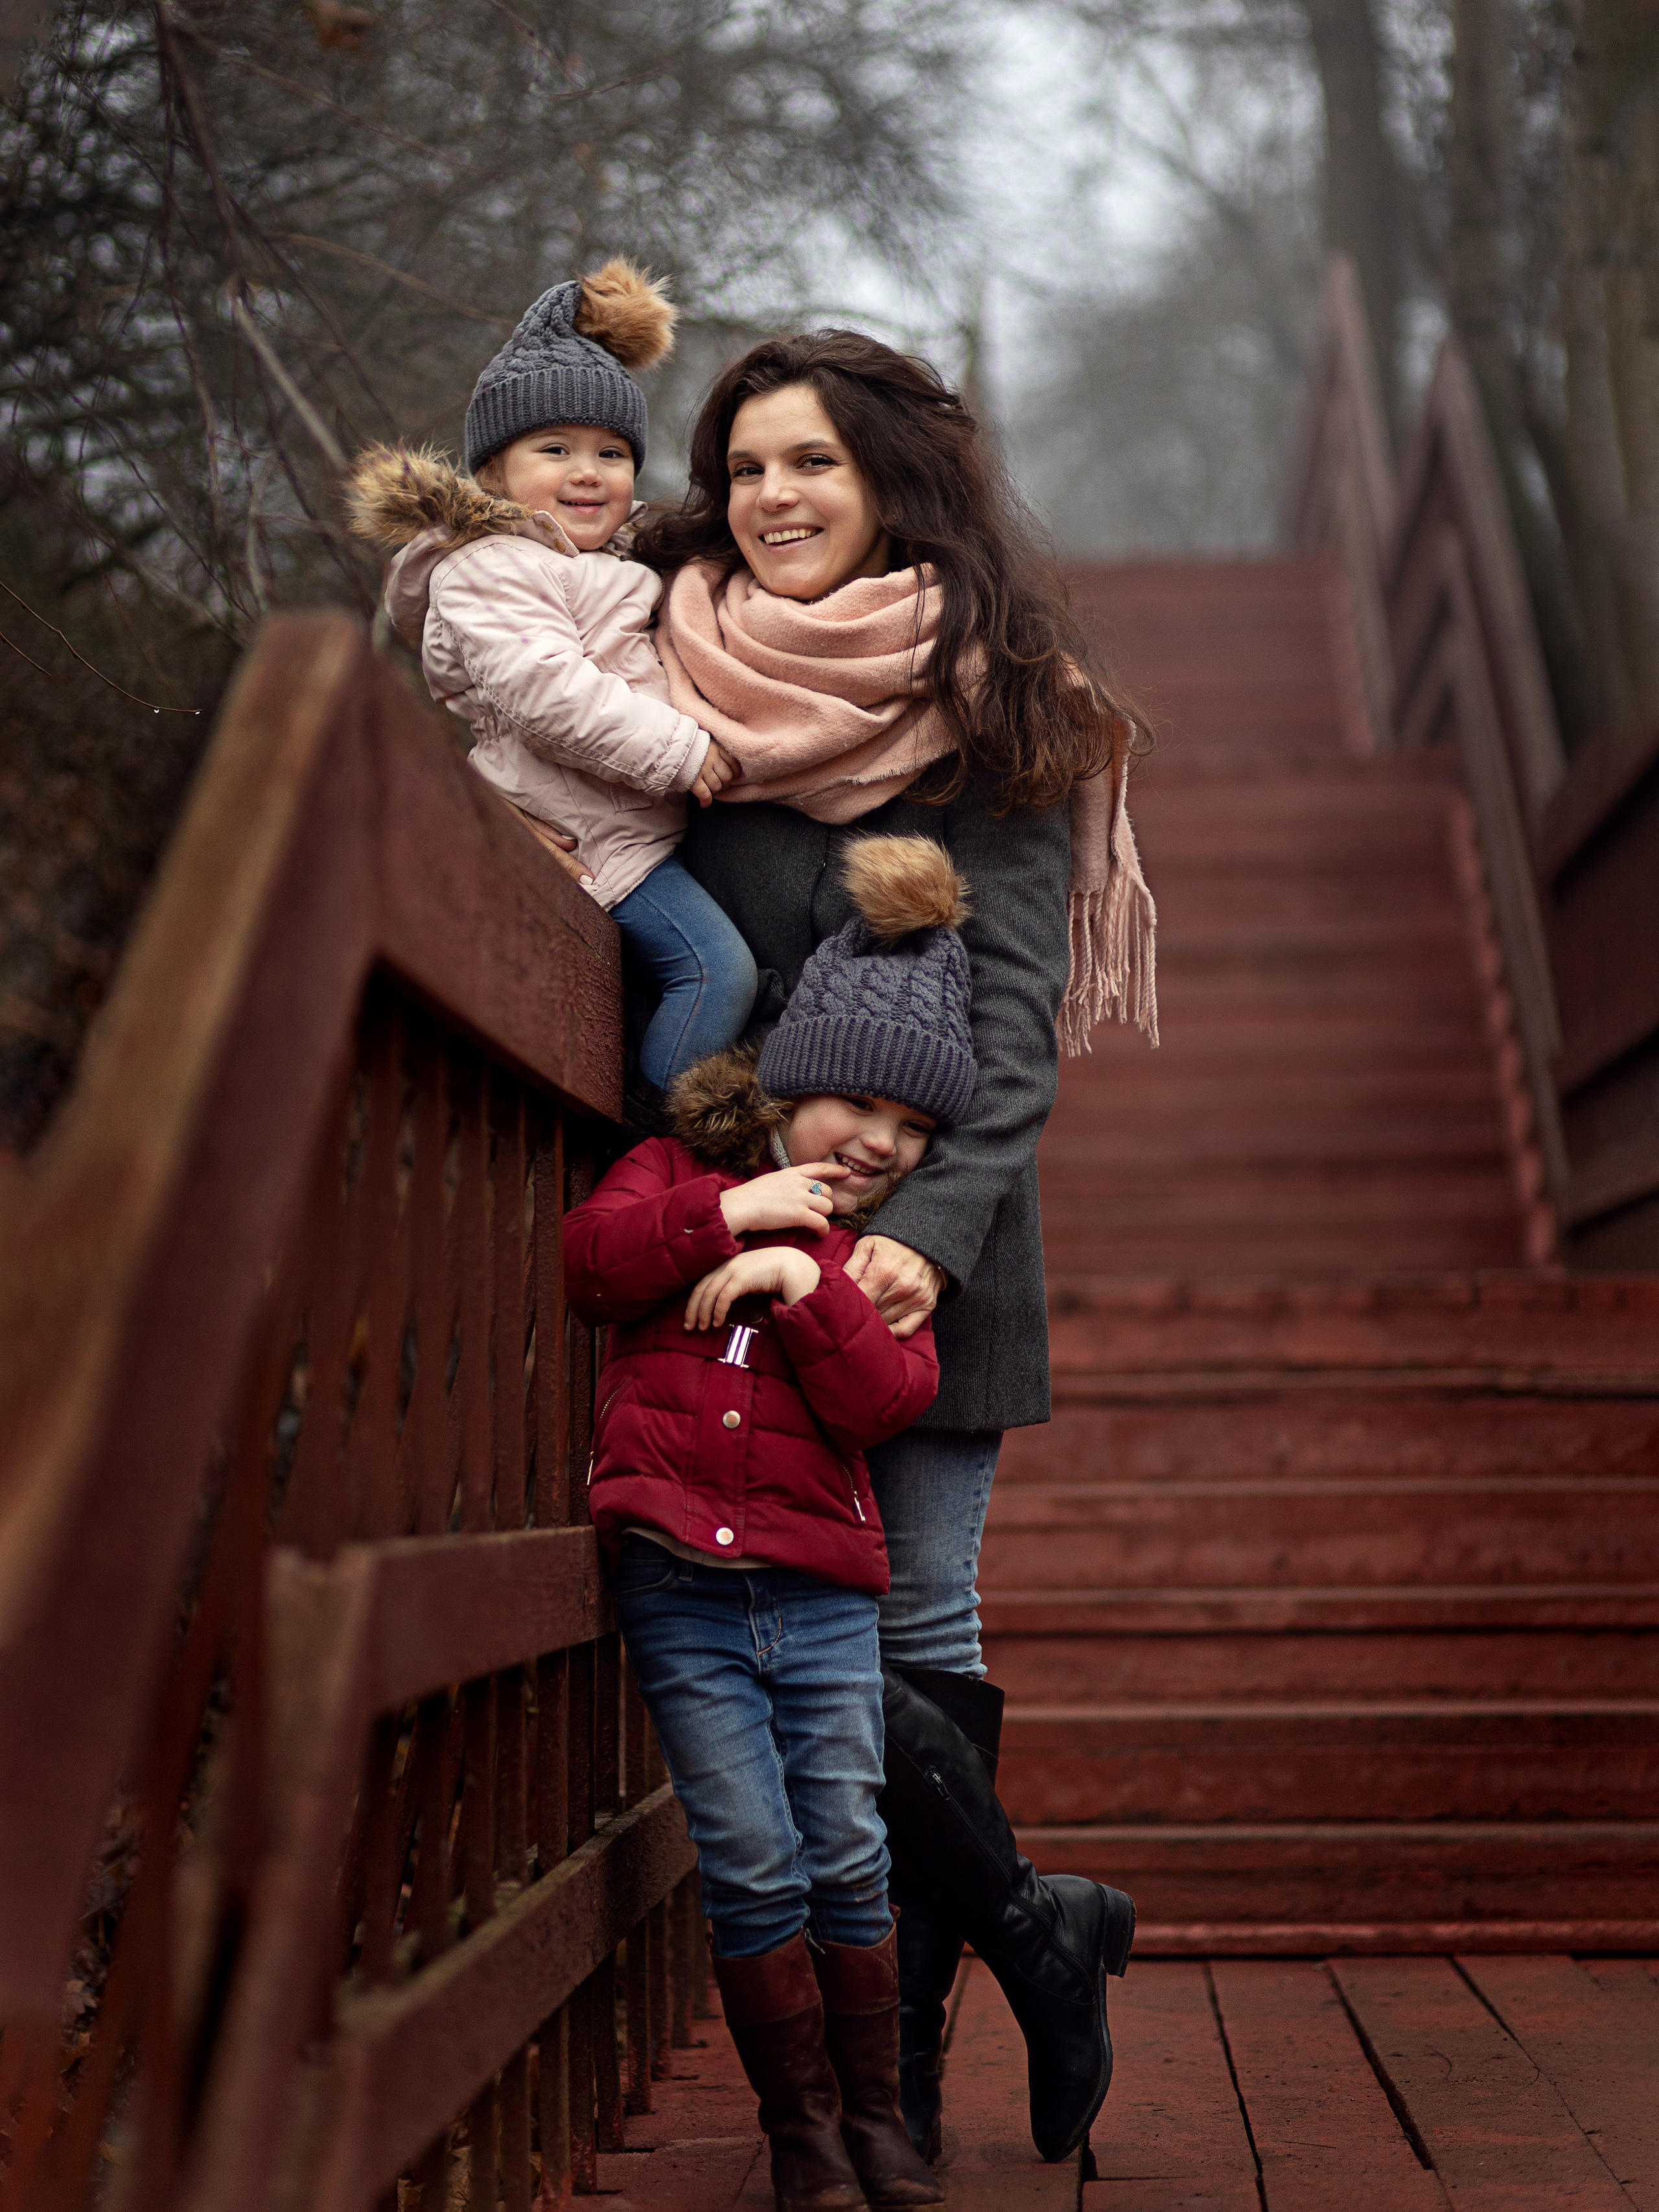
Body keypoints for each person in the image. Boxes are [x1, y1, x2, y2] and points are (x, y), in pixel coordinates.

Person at [620, 331, 1157, 2168]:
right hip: (729, 1269)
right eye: (747, 462)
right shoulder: (668, 676)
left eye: (815, 465)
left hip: (942, 1255)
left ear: (892, 490)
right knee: (799, 1675)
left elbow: (1014, 1027)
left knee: (911, 1632)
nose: (775, 496)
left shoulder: (1000, 704)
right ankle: (1034, 1924)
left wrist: (918, 1235)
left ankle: (904, 2086)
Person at [565, 836, 1007, 2212]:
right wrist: (726, 1216)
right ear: (788, 1078)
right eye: (856, 1104)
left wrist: (793, 1275)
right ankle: (802, 2131)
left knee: (844, 1844)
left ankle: (877, 2118)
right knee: (748, 1854)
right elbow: (592, 1262)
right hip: (678, 1590)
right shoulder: (675, 1174)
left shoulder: (881, 1267)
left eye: (913, 1131)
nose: (878, 1142)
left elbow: (886, 1400)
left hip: (820, 1597)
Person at [346, 258, 756, 1112]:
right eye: (555, 449)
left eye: (612, 453)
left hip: (630, 824)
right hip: (591, 837)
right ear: (492, 473)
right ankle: (646, 1146)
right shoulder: (488, 567)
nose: (589, 471)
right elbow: (546, 688)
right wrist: (677, 747)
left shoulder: (600, 560)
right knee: (718, 973)